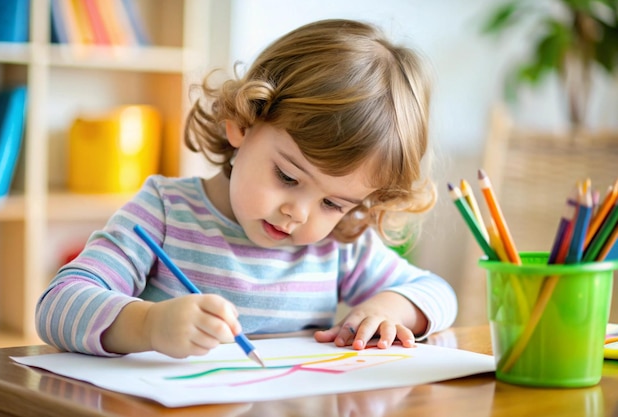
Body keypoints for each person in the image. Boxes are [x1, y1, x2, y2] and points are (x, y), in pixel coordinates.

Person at [36, 19, 457, 358]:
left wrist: (386, 309)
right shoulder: (164, 211)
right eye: (288, 177)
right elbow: (58, 305)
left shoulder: (340, 245)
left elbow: (439, 294)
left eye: (333, 202)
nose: (300, 213)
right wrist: (149, 325)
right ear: (243, 122)